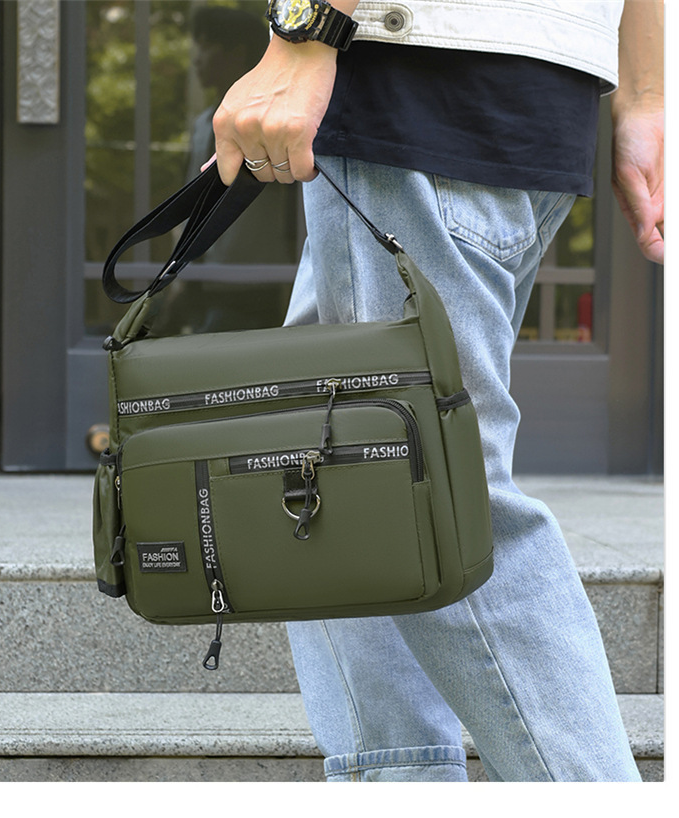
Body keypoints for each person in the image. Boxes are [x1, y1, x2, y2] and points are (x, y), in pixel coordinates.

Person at [210, 0, 664, 782]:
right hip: (540, 80)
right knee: (330, 457)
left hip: (412, 63)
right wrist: (645, 94)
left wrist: (306, 33)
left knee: (434, 489)